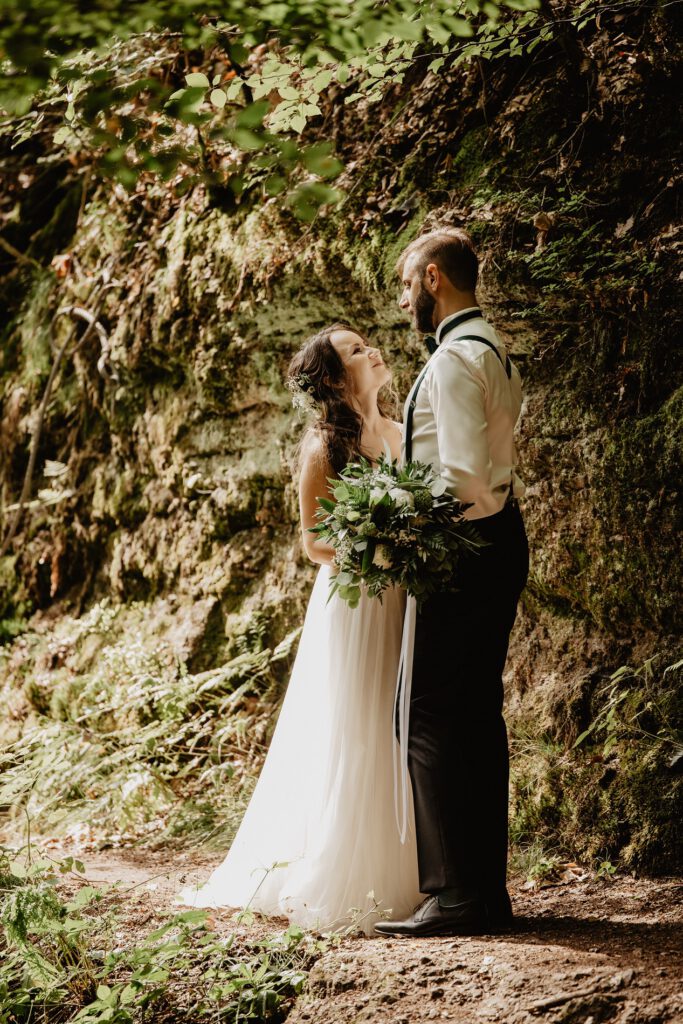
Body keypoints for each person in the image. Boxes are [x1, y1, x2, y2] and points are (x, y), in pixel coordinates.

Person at [178, 323, 421, 934]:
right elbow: (313, 542)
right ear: (336, 379)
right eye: (355, 351)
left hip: (404, 597)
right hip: (356, 596)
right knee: (360, 720)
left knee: (404, 723)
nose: (372, 351)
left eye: (366, 344)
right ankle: (351, 871)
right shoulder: (325, 448)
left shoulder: (401, 433)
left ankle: (417, 867)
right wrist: (374, 538)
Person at [375, 227, 529, 938]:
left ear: (433, 278)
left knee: (430, 714)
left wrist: (402, 523)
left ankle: (456, 892)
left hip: (463, 541)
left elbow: (462, 476)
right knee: (473, 714)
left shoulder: (452, 359)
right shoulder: (491, 348)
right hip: (496, 537)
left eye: (408, 285)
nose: (406, 300)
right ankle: (482, 891)